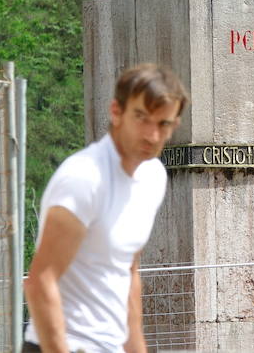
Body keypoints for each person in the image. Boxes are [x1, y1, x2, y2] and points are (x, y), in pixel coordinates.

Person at [23, 64, 189, 353]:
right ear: (116, 112)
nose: (152, 135)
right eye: (141, 118)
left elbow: (128, 271)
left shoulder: (153, 177)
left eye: (163, 124)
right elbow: (40, 282)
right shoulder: (84, 178)